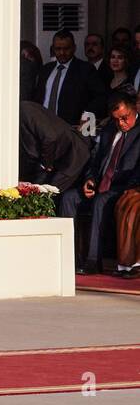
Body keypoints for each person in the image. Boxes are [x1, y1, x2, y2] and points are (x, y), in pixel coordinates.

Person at [61, 91, 140, 274]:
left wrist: (126, 187)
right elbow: (95, 161)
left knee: (100, 201)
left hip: (124, 189)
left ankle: (92, 261)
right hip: (101, 185)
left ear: (134, 108)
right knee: (69, 197)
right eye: (116, 119)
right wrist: (90, 180)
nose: (121, 123)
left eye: (124, 118)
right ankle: (69, 258)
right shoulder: (109, 131)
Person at [33, 28, 108, 127]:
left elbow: (101, 97)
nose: (62, 53)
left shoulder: (85, 69)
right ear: (53, 48)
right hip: (44, 126)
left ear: (74, 48)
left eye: (66, 49)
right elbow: (38, 98)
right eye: (58, 49)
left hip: (73, 128)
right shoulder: (46, 70)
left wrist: (86, 117)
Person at [18, 100, 90, 198]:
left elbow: (50, 137)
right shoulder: (23, 109)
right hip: (50, 160)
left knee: (44, 195)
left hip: (71, 156)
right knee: (34, 192)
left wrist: (46, 164)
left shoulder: (24, 111)